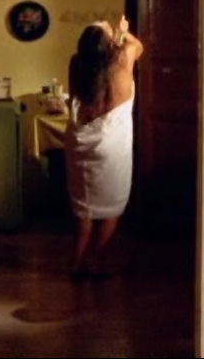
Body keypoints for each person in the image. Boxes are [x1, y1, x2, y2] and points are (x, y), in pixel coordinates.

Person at [64, 15, 144, 281]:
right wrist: (124, 33)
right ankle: (97, 262)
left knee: (83, 206)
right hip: (111, 144)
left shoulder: (76, 65)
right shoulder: (122, 60)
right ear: (109, 43)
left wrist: (113, 35)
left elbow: (75, 96)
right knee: (112, 204)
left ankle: (77, 264)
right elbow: (138, 46)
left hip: (80, 140)